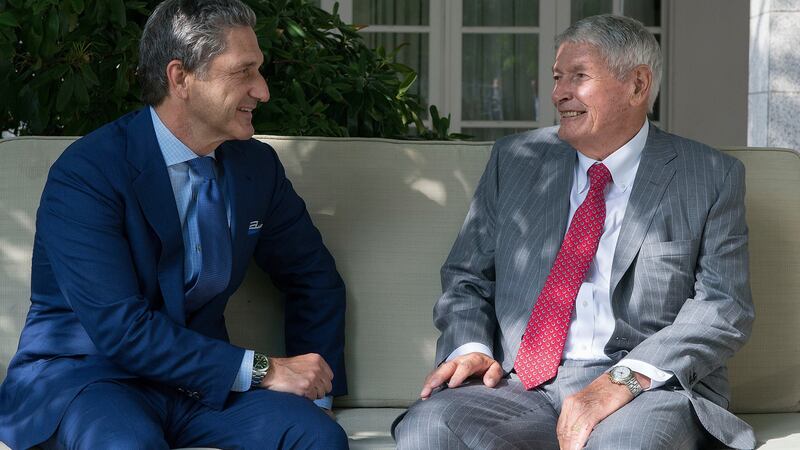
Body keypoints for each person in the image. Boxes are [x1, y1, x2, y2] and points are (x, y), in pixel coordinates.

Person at [393, 14, 755, 450]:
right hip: (518, 384)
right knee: (428, 428)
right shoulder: (517, 160)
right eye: (557, 77)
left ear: (638, 85)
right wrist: (470, 345)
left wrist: (621, 381)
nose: (559, 93)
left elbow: (723, 307)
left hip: (642, 389)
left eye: (579, 77)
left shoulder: (709, 175)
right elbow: (467, 276)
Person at [0, 0, 348, 448]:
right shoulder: (89, 172)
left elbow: (312, 276)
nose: (262, 90)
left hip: (200, 388)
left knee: (318, 437)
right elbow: (121, 328)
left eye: (259, 71)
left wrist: (314, 394)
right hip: (90, 376)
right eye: (243, 72)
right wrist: (265, 369)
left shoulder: (256, 167)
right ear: (180, 77)